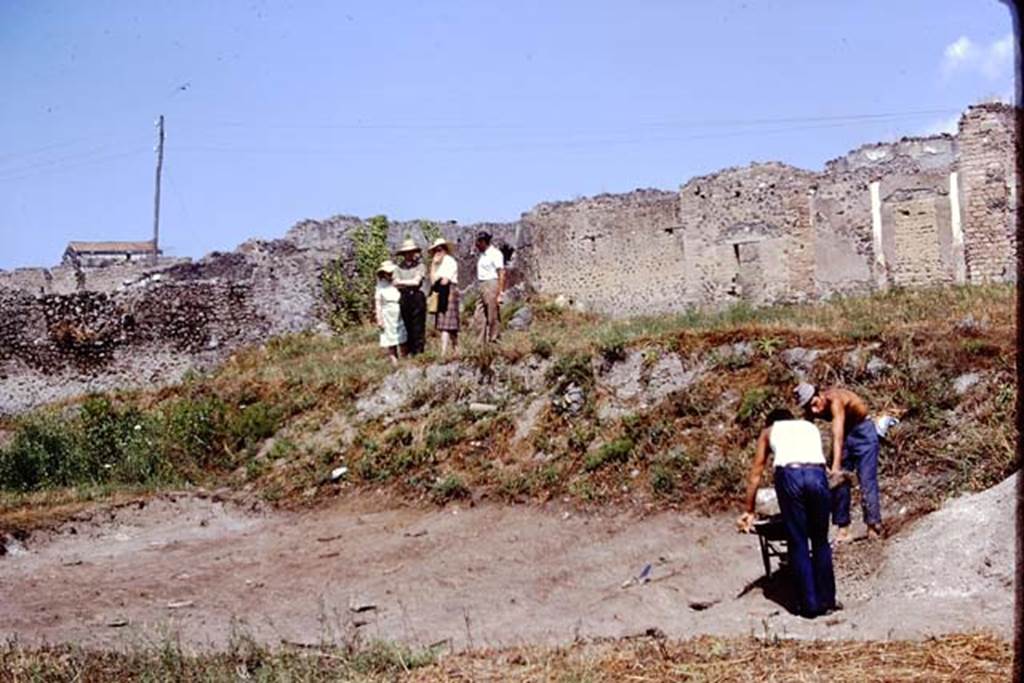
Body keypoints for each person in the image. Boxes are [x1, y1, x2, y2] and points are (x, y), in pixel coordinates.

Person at [737, 408, 838, 619]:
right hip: (817, 475)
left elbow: (756, 473)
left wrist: (749, 510)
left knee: (798, 541)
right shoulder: (810, 427)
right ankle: (828, 600)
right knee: (820, 540)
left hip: (790, 476)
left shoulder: (768, 431)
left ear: (770, 422)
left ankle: (809, 605)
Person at [794, 382, 882, 542]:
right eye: (809, 408)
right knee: (838, 483)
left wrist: (835, 467)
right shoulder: (812, 409)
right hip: (846, 436)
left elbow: (837, 436)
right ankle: (843, 529)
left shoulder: (836, 400)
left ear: (820, 395)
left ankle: (873, 525)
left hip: (863, 432)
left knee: (867, 479)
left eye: (814, 404)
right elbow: (808, 435)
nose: (814, 410)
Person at [393, 238, 428, 356]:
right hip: (404, 297)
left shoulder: (420, 266)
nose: (409, 254)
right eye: (406, 252)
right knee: (406, 324)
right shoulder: (398, 268)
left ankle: (419, 351)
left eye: (411, 252)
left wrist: (403, 282)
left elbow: (416, 282)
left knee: (418, 324)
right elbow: (395, 283)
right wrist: (409, 282)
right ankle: (408, 351)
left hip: (417, 296)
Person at [428, 237, 460, 358]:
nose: (438, 251)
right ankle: (450, 350)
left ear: (445, 249)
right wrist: (434, 264)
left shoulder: (450, 261)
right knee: (444, 324)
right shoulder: (436, 263)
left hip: (449, 290)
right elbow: (432, 281)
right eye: (436, 249)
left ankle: (447, 351)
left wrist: (437, 276)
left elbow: (445, 281)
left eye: (440, 249)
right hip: (440, 292)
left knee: (448, 324)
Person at [474, 231, 505, 343]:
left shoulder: (495, 254)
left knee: (492, 314)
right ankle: (480, 343)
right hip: (482, 284)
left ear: (483, 241)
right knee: (479, 315)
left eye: (478, 242)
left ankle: (494, 340)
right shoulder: (482, 255)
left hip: (491, 283)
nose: (476, 245)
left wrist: (500, 292)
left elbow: (501, 272)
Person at [374, 260, 406, 367]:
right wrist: (379, 318)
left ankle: (405, 360)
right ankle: (394, 363)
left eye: (391, 272)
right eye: (387, 273)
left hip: (399, 310)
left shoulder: (398, 282)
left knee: (402, 337)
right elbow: (378, 302)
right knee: (389, 339)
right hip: (387, 313)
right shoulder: (380, 286)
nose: (389, 275)